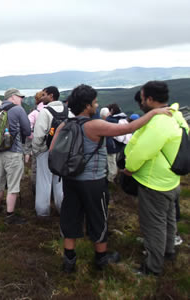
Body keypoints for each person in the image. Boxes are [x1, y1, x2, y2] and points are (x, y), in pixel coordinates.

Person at [55, 84, 171, 273]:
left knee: (70, 217)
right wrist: (155, 113)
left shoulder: (64, 125)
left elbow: (54, 152)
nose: (97, 104)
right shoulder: (95, 125)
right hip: (94, 182)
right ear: (87, 106)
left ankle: (69, 260)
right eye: (94, 102)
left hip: (70, 180)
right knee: (98, 217)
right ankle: (101, 258)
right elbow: (130, 127)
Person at [123, 81, 188, 275]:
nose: (140, 102)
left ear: (150, 99)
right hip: (170, 179)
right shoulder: (176, 116)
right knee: (168, 219)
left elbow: (142, 152)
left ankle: (152, 267)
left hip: (154, 182)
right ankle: (168, 251)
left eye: (142, 98)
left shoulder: (159, 122)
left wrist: (129, 169)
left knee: (154, 225)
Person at [0, 88, 31, 224]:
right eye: (20, 97)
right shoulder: (18, 110)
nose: (21, 99)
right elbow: (26, 130)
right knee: (13, 184)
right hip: (13, 152)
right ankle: (10, 215)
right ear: (13, 97)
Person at [32, 86, 71, 217]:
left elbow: (38, 135)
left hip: (46, 151)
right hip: (64, 152)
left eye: (44, 95)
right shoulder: (68, 111)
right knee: (60, 181)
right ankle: (63, 208)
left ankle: (43, 212)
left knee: (44, 181)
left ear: (51, 96)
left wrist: (36, 150)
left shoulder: (45, 112)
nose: (41, 97)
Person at [105, 103, 131, 183]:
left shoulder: (110, 120)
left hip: (111, 146)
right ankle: (117, 178)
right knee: (117, 162)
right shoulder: (124, 119)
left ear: (112, 110)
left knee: (111, 163)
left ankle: (110, 180)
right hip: (121, 145)